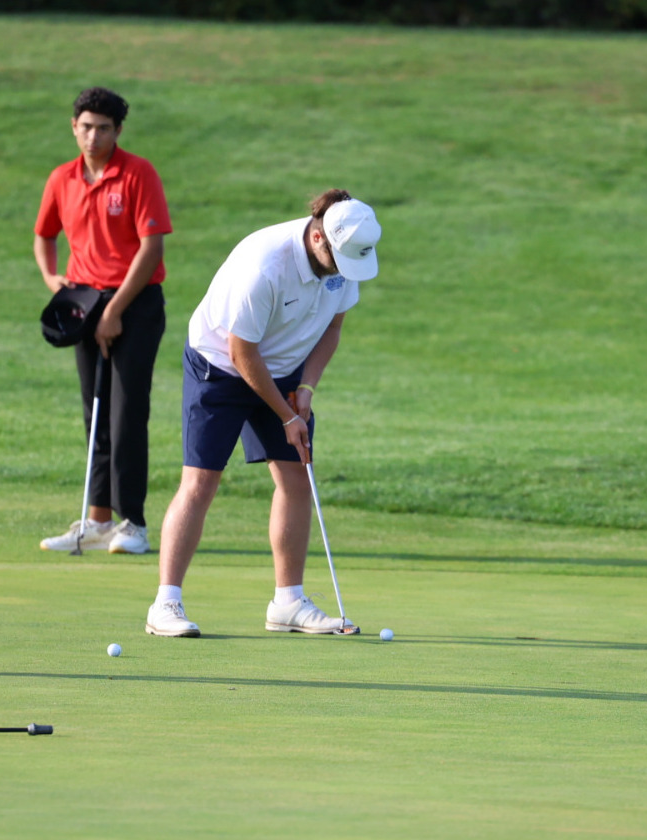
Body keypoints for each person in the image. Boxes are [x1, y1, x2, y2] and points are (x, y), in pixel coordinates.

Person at [145, 189, 381, 637]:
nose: (344, 270)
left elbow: (333, 328)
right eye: (339, 260)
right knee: (201, 481)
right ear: (318, 238)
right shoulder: (265, 266)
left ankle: (288, 602)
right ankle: (165, 603)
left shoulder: (345, 258)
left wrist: (306, 389)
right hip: (220, 365)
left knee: (296, 477)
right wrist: (287, 417)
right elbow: (242, 353)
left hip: (286, 368)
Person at [34, 87, 172, 556]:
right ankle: (97, 521)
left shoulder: (138, 173)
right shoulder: (62, 177)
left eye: (104, 129)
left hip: (136, 301)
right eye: (86, 127)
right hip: (83, 302)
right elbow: (44, 235)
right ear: (74, 127)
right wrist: (52, 279)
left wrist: (113, 312)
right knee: (94, 412)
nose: (93, 137)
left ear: (118, 131)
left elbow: (151, 249)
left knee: (127, 412)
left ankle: (133, 523)